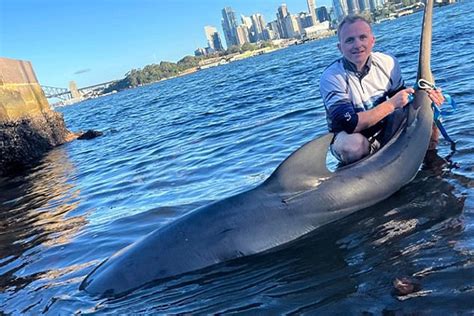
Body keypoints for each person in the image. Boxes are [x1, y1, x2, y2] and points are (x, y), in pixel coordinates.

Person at [320, 15, 444, 165]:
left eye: (362, 37)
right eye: (349, 40)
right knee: (353, 146)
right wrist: (391, 104)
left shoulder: (388, 63)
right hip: (348, 137)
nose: (357, 44)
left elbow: (404, 101)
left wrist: (428, 97)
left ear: (373, 41)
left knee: (426, 113)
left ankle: (433, 165)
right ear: (340, 48)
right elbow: (350, 124)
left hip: (384, 130)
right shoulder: (331, 77)